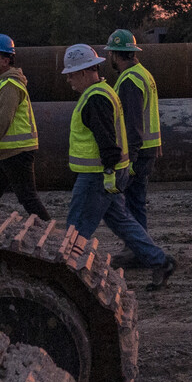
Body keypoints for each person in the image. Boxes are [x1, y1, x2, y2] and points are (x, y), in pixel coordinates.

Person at [63, 43, 177, 289]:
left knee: (77, 227)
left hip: (97, 176)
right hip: (110, 174)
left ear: (84, 72)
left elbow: (107, 142)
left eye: (71, 75)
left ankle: (65, 274)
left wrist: (108, 171)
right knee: (123, 223)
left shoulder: (95, 98)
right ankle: (160, 262)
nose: (69, 80)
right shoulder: (104, 91)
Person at [0, 34, 50, 219]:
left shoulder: (9, 85)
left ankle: (51, 232)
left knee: (27, 198)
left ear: (6, 60)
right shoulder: (2, 83)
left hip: (16, 151)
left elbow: (3, 120)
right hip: (4, 151)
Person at [104, 29, 162, 232]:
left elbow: (132, 124)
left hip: (138, 152)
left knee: (132, 205)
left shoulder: (130, 80)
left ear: (115, 54)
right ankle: (138, 248)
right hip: (147, 149)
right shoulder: (143, 74)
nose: (109, 57)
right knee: (135, 203)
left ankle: (139, 250)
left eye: (110, 53)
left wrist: (129, 160)